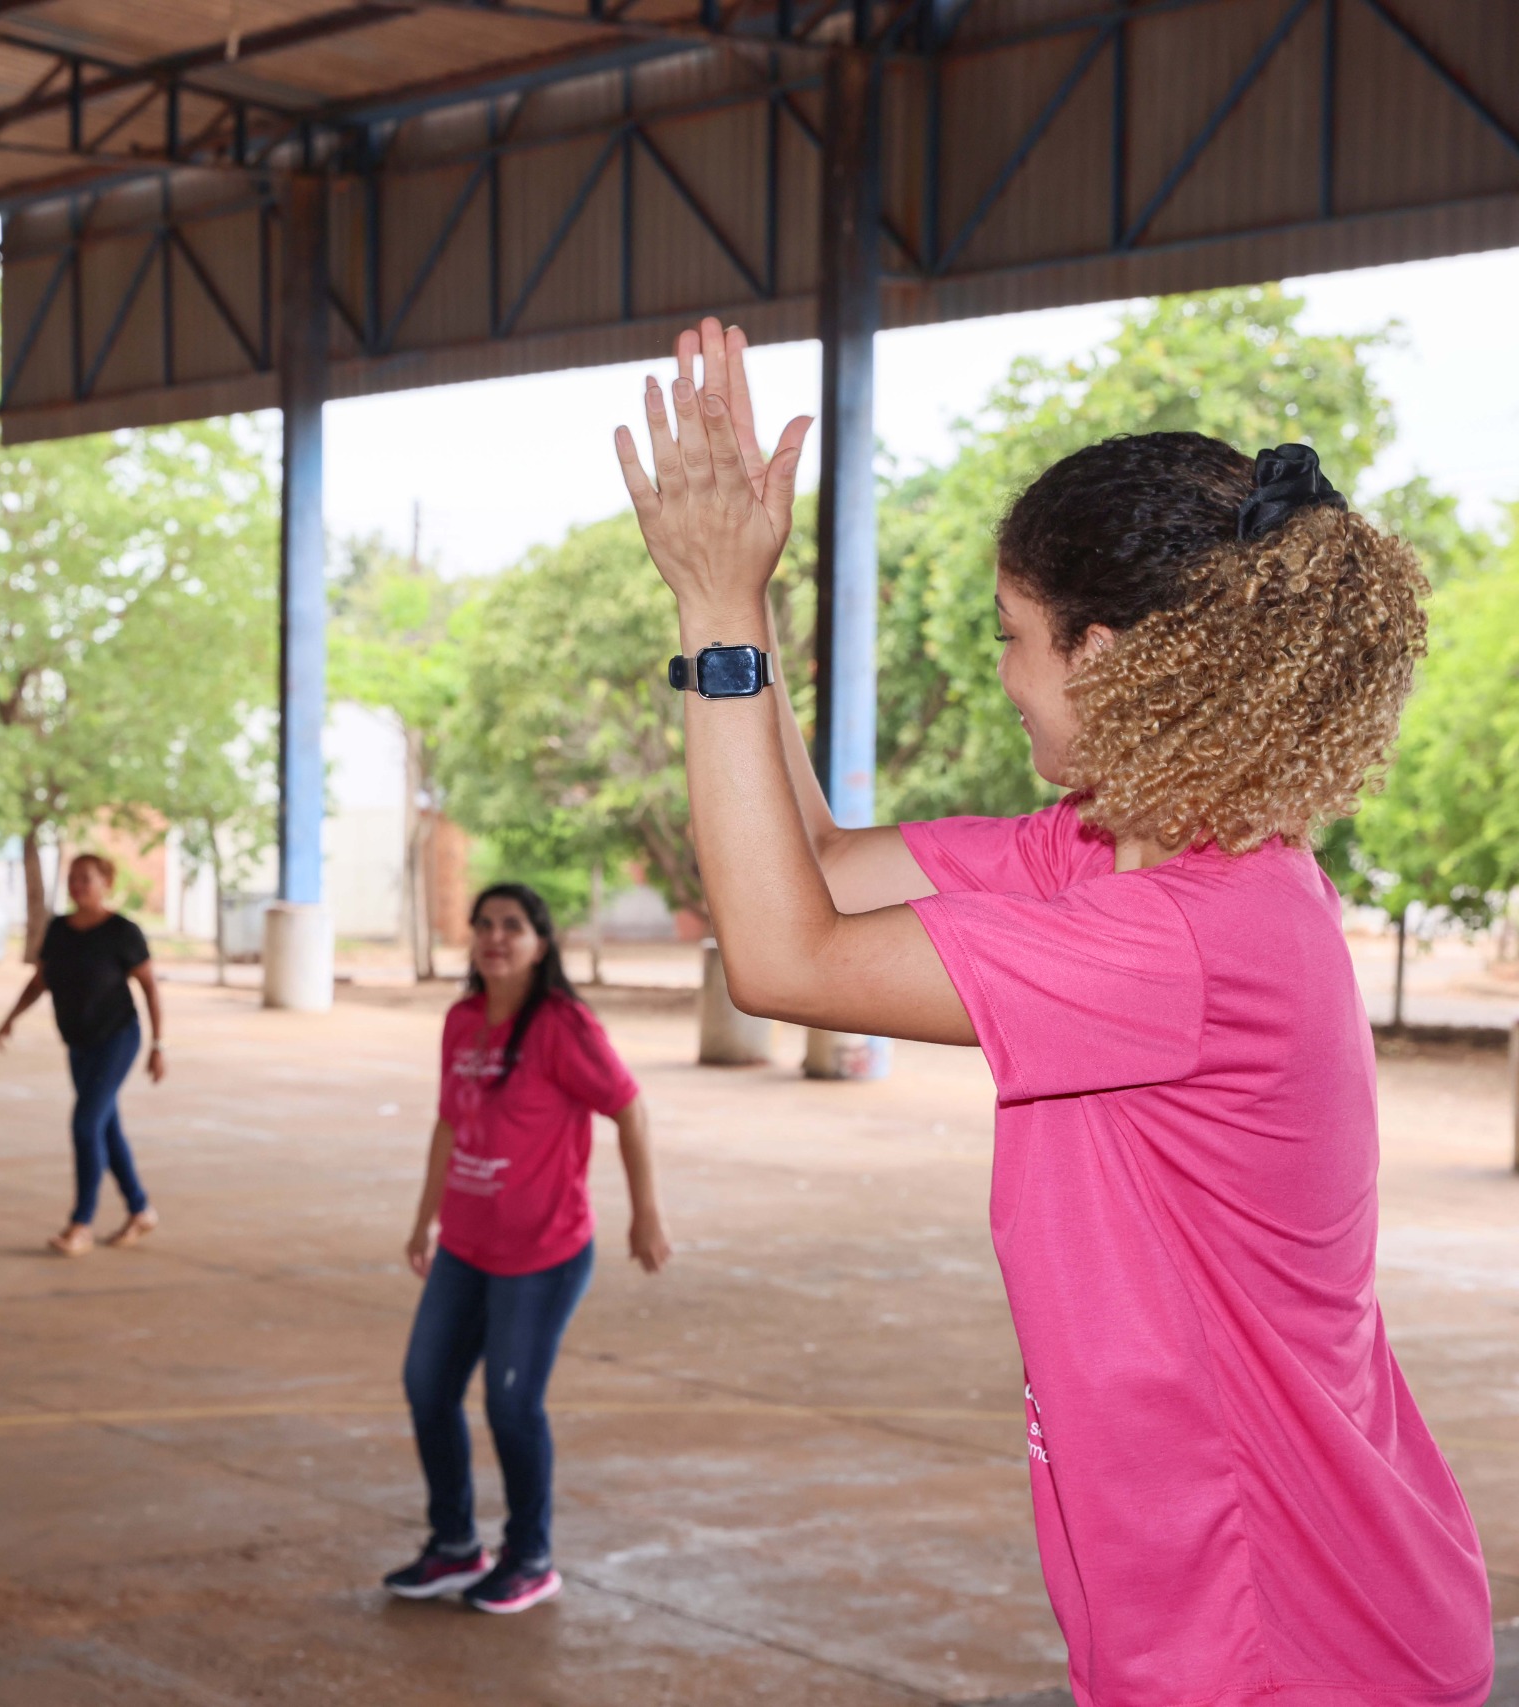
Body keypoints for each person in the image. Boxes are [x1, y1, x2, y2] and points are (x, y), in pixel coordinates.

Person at [607, 319, 1490, 1701]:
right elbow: (815, 867)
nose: (1006, 675)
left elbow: (782, 961)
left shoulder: (1185, 939)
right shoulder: (1108, 854)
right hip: (1208, 1614)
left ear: (1108, 658)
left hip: (1287, 1641)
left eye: (1012, 638)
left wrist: (714, 617)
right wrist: (740, 604)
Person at [389, 884, 669, 1615]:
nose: (495, 937)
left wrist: (645, 1215)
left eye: (512, 926)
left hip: (543, 1251)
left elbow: (630, 1108)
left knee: (512, 1404)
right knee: (427, 1385)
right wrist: (425, 1221)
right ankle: (455, 1544)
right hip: (466, 1245)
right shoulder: (461, 1021)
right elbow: (449, 1123)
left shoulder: (561, 1026)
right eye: (483, 924)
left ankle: (531, 1556)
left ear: (541, 943)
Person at [0, 853, 165, 1257]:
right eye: (73, 878)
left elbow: (149, 988)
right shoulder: (59, 929)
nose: (78, 885)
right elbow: (40, 980)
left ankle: (81, 1224)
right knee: (105, 1127)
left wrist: (158, 1046)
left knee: (86, 1125)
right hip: (79, 1044)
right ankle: (140, 1209)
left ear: (106, 883)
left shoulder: (122, 932)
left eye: (87, 878)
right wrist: (11, 1017)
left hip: (117, 1038)